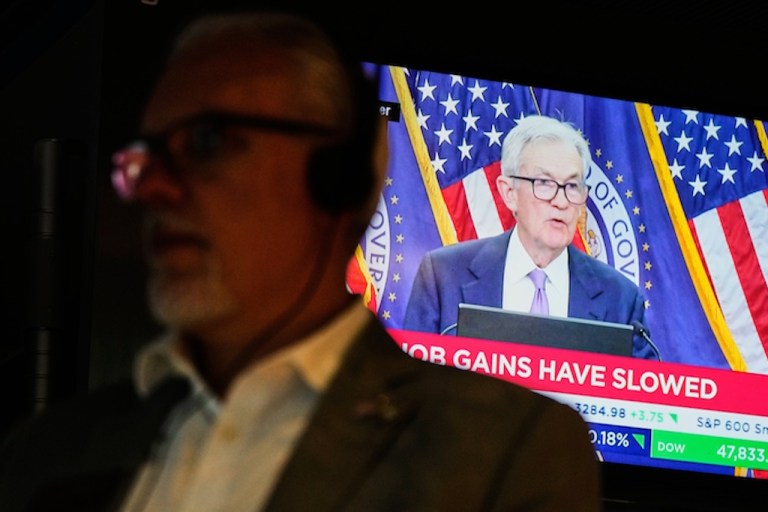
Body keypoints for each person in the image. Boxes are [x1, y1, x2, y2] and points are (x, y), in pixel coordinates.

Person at [0, 11, 602, 512]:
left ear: (340, 175)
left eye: (207, 143)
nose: (155, 189)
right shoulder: (46, 454)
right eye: (147, 158)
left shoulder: (506, 455)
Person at [404, 114, 658, 360]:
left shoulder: (620, 299)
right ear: (509, 193)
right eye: (544, 183)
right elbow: (409, 378)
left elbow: (640, 388)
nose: (561, 202)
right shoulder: (443, 276)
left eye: (572, 186)